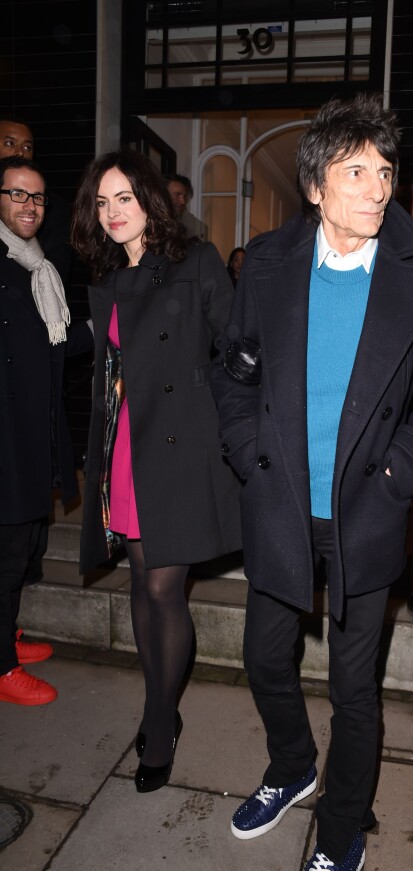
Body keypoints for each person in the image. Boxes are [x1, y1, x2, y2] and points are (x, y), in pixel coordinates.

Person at [212, 93, 413, 871]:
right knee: (265, 657)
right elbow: (234, 367)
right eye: (355, 170)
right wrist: (246, 447)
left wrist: (401, 471)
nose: (376, 187)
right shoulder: (266, 264)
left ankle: (342, 824)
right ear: (316, 187)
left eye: (385, 170)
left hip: (367, 507)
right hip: (282, 500)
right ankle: (292, 767)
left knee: (354, 692)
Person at [71, 150, 241, 793]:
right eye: (102, 202)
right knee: (140, 583)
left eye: (124, 198)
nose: (113, 212)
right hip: (128, 447)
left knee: (167, 589)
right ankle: (159, 701)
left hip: (181, 445)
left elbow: (234, 348)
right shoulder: (109, 275)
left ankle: (160, 721)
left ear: (150, 199)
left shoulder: (196, 262)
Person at [0, 156, 93, 705]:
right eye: (16, 195)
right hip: (6, 439)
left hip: (33, 434)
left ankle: (6, 633)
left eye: (36, 198)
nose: (28, 206)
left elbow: (51, 347)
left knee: (26, 546)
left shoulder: (38, 267)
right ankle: (2, 667)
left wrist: (107, 325)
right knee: (7, 554)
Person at [0, 117, 72, 284]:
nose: (20, 152)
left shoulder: (52, 207)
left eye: (27, 147)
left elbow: (56, 271)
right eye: (10, 143)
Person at [165, 172, 206, 241]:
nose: (183, 201)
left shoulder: (184, 227)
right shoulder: (148, 223)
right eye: (177, 195)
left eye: (184, 196)